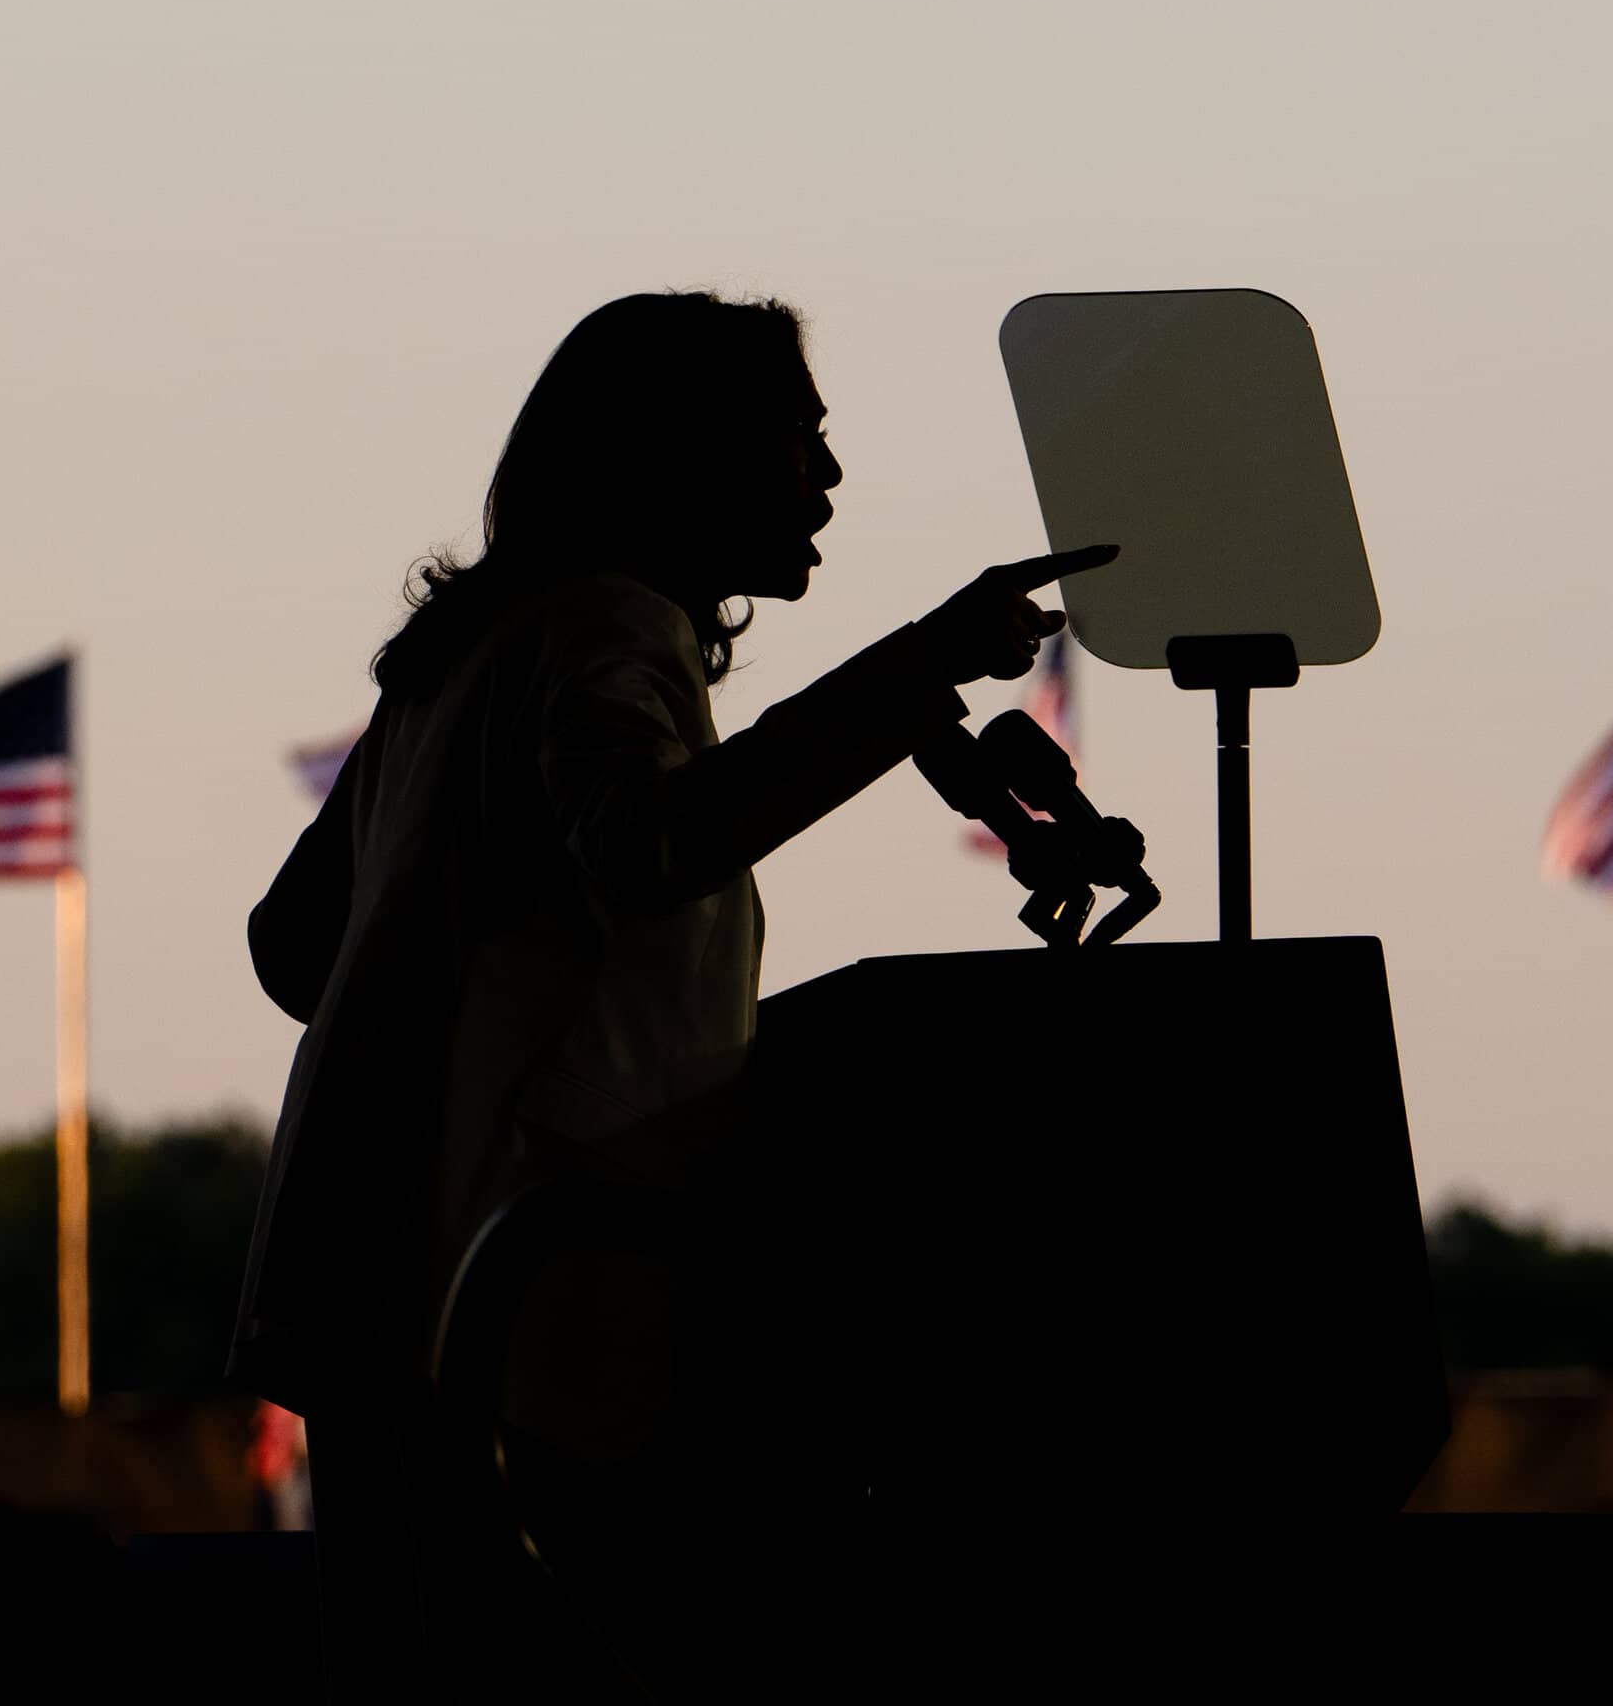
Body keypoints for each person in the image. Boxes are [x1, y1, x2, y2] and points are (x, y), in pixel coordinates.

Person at [229, 289, 1116, 1697]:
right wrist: (923, 663)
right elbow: (653, 848)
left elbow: (294, 947)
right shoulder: (601, 624)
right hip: (513, 1291)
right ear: (679, 456)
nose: (828, 479)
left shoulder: (473, 650)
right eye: (797, 442)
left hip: (373, 1273)